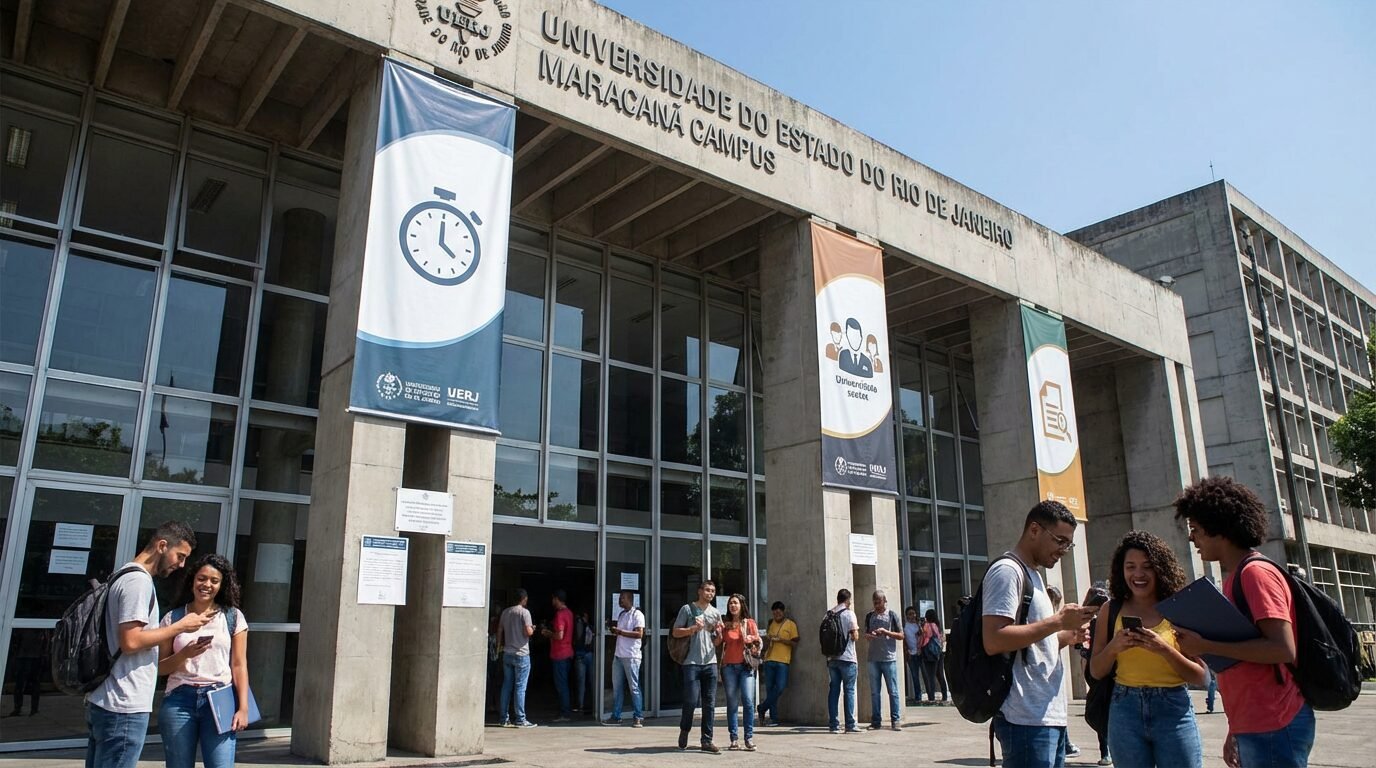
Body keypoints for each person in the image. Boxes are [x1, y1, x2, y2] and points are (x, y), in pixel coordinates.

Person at [1173, 477, 1313, 768]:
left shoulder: (1255, 574)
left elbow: (1281, 648)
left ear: (1219, 529)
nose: (1191, 538)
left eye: (1195, 530)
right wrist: (1235, 727)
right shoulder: (1235, 577)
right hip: (1255, 722)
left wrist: (1205, 645)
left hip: (1274, 720)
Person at [981, 501, 1097, 768]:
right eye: (1060, 540)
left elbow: (1030, 644)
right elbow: (994, 639)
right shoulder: (1008, 572)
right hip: (1024, 717)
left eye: (1069, 544)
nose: (1064, 550)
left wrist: (1067, 635)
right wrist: (1057, 621)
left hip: (1046, 715)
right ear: (1034, 530)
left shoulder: (1035, 576)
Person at [86, 521, 207, 768]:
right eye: (180, 555)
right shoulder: (138, 582)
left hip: (108, 699)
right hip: (123, 704)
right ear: (162, 546)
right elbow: (131, 641)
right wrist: (180, 627)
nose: (181, 564)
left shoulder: (123, 574)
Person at [1089, 531, 1207, 768]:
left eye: (1147, 566)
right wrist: (1114, 647)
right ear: (1121, 571)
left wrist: (1164, 649)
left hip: (1173, 708)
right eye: (1130, 566)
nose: (1138, 574)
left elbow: (1202, 678)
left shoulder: (1178, 610)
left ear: (1160, 569)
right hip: (1125, 708)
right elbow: (1095, 671)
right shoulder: (1110, 611)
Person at [156, 553, 251, 768]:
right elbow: (160, 668)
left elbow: (239, 665)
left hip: (221, 698)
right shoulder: (173, 618)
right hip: (180, 700)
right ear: (192, 581)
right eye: (201, 578)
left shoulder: (232, 617)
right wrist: (184, 655)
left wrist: (243, 707)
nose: (206, 584)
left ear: (221, 585)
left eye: (214, 581)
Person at [672, 579, 723, 753]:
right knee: (691, 701)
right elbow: (675, 631)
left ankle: (706, 740)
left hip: (710, 663)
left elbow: (716, 642)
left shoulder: (716, 613)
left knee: (709, 703)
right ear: (700, 591)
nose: (710, 593)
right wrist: (692, 629)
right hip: (691, 663)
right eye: (707, 590)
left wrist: (720, 635)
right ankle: (685, 729)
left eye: (713, 591)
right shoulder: (687, 609)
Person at [720, 593, 762, 751]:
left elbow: (758, 642)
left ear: (741, 605)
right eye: (731, 603)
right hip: (729, 667)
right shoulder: (726, 625)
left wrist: (749, 639)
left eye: (735, 603)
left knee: (748, 701)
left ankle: (748, 737)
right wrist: (716, 631)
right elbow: (719, 642)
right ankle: (734, 738)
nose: (733, 606)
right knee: (731, 703)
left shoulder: (749, 623)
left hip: (746, 666)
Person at [1080, 583, 1113, 766]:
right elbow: (1082, 646)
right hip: (1095, 669)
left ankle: (1108, 750)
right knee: (1101, 708)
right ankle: (1105, 750)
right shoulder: (1088, 620)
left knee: (1106, 708)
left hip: (1108, 669)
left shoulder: (1111, 618)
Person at [863, 589, 904, 731]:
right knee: (875, 692)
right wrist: (870, 636)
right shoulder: (869, 616)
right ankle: (876, 721)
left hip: (889, 658)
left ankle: (895, 719)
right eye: (874, 603)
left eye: (879, 602)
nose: (877, 605)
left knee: (893, 691)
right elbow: (866, 634)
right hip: (873, 658)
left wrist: (886, 632)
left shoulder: (892, 615)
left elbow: (901, 635)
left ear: (884, 601)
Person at [603, 590, 645, 727]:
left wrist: (620, 632)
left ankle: (638, 716)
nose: (620, 601)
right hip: (619, 656)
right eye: (619, 598)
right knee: (617, 687)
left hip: (631, 656)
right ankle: (616, 716)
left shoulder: (637, 614)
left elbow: (639, 634)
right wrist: (614, 630)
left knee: (634, 687)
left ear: (629, 599)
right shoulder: (621, 615)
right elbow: (620, 634)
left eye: (622, 598)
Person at [496, 589, 537, 728]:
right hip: (521, 654)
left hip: (507, 652)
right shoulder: (524, 613)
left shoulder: (505, 612)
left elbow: (500, 630)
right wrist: (533, 629)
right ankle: (520, 718)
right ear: (524, 599)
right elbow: (528, 631)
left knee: (506, 686)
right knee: (520, 687)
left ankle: (503, 718)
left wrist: (499, 646)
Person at [825, 588, 861, 734]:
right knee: (849, 690)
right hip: (848, 658)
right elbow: (855, 636)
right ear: (848, 600)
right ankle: (850, 724)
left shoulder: (828, 614)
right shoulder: (849, 614)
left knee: (834, 690)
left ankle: (833, 724)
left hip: (832, 658)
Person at [759, 600, 799, 726]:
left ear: (783, 612)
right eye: (775, 612)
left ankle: (762, 707)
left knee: (780, 687)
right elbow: (766, 640)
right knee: (770, 689)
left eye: (779, 612)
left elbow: (795, 642)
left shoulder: (790, 624)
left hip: (783, 660)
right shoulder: (770, 623)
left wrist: (782, 640)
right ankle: (774, 718)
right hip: (769, 659)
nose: (777, 614)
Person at [540, 590, 575, 722]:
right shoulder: (569, 613)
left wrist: (547, 633)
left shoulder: (560, 615)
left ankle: (564, 713)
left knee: (561, 685)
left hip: (560, 654)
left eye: (553, 599)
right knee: (564, 683)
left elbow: (559, 635)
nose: (552, 601)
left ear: (557, 599)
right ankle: (565, 710)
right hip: (568, 652)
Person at [919, 607, 950, 705]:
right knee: (940, 675)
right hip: (939, 653)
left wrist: (920, 646)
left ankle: (931, 697)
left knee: (930, 676)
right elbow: (941, 639)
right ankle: (945, 696)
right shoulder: (938, 626)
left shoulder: (928, 626)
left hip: (930, 654)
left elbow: (925, 639)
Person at [571, 608, 595, 715]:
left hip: (580, 655)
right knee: (591, 681)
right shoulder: (585, 625)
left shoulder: (576, 623)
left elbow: (576, 639)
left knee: (581, 683)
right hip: (587, 654)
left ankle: (581, 705)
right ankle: (593, 705)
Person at [903, 607, 924, 705]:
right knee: (915, 676)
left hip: (919, 653)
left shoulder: (917, 625)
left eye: (914, 614)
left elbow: (922, 635)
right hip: (911, 654)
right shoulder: (905, 627)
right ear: (906, 615)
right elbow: (904, 641)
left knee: (923, 675)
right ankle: (917, 696)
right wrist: (907, 652)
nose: (913, 616)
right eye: (910, 614)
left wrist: (920, 626)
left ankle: (927, 695)